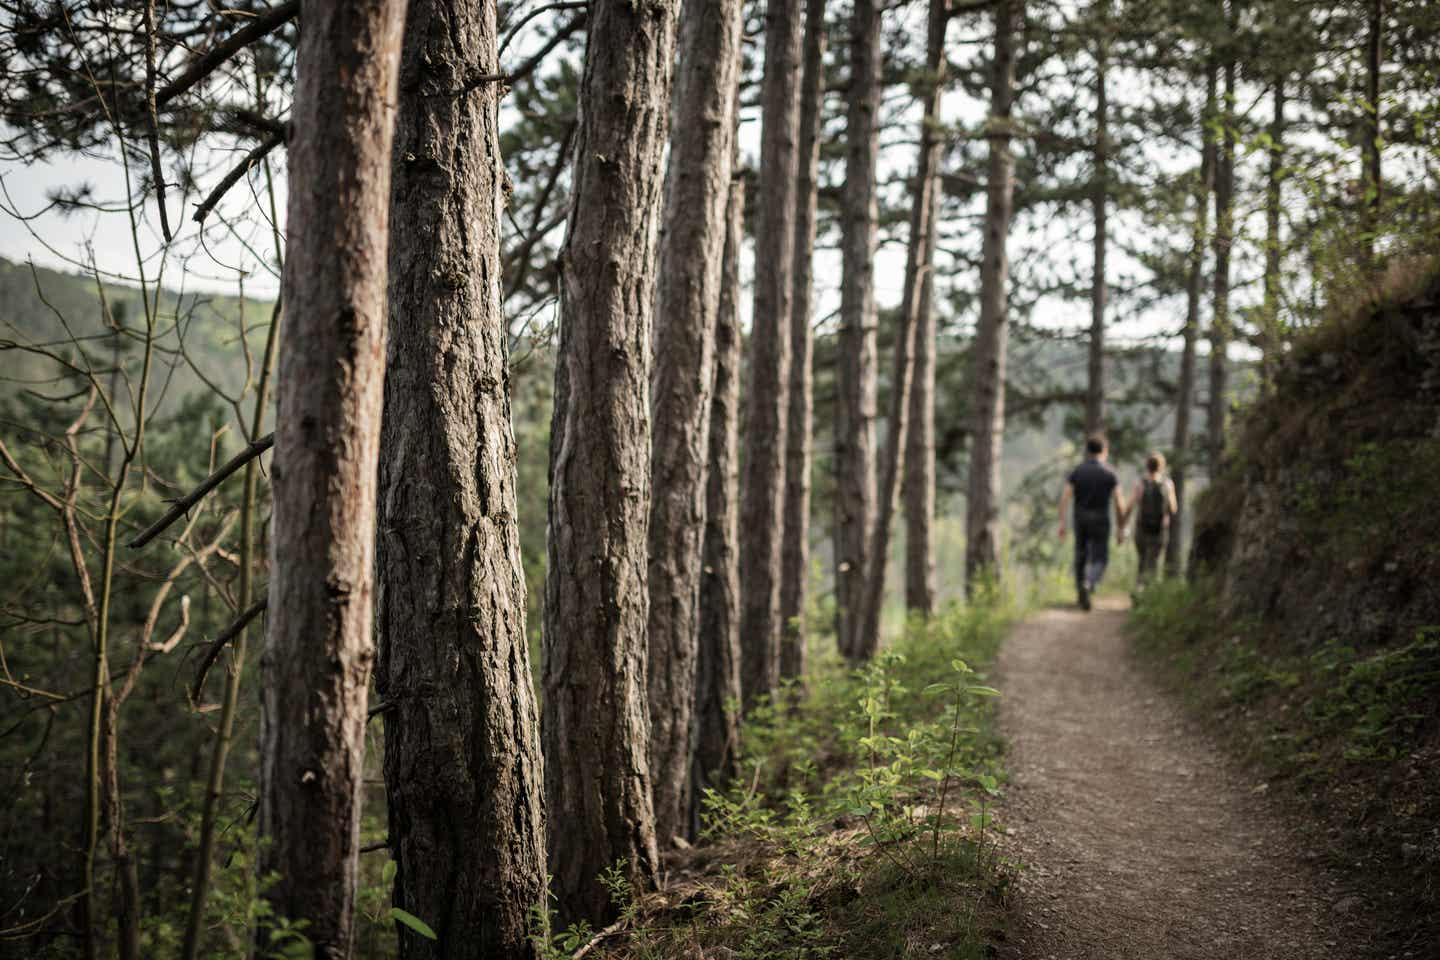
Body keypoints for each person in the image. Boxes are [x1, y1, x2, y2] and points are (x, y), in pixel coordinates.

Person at [1057, 435, 1126, 610]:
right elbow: (1119, 502)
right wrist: (1121, 527)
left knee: (1080, 555)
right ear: (1105, 451)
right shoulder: (1110, 473)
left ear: (1087, 451)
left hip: (1080, 518)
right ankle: (1089, 582)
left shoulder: (1077, 471)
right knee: (1100, 557)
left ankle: (1081, 593)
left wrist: (1062, 523)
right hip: (1101, 518)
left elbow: (1065, 497)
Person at [1121, 452, 1179, 592]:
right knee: (1153, 562)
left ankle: (1139, 589)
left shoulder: (1140, 483)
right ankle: (1148, 591)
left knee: (1142, 560)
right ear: (1162, 467)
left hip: (1141, 529)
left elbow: (1130, 506)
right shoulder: (1167, 484)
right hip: (1159, 530)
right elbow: (1173, 508)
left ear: (1147, 466)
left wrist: (1123, 523)